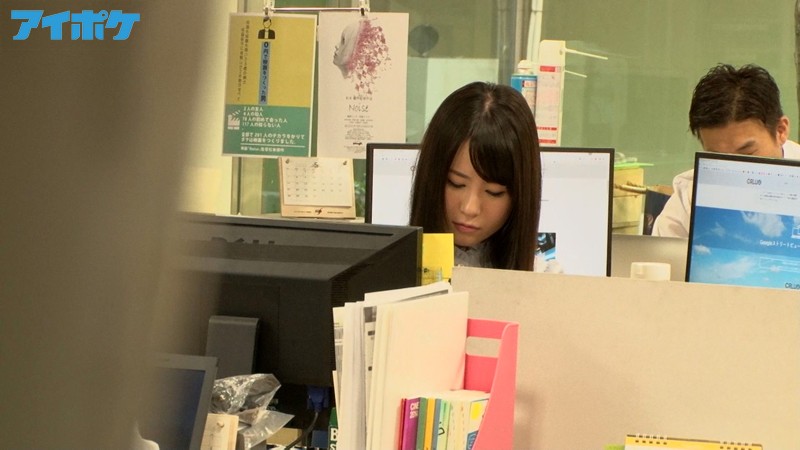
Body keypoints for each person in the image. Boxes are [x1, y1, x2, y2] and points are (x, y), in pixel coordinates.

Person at [652, 63, 800, 238]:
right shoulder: (690, 197)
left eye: (747, 155)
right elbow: (662, 253)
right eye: (718, 159)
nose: (734, 172)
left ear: (780, 131)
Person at [409, 81, 542, 271]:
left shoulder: (545, 279)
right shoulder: (388, 270)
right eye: (456, 183)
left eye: (494, 192)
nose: (469, 208)